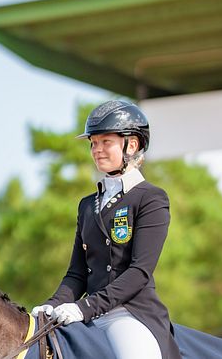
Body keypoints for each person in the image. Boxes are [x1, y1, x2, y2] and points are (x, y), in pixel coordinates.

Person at [31, 100, 181, 359]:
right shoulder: (88, 205)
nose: (96, 150)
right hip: (88, 313)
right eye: (93, 143)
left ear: (131, 145)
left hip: (129, 314)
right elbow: (77, 273)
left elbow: (139, 272)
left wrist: (85, 307)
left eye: (105, 142)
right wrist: (52, 305)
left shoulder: (151, 198)